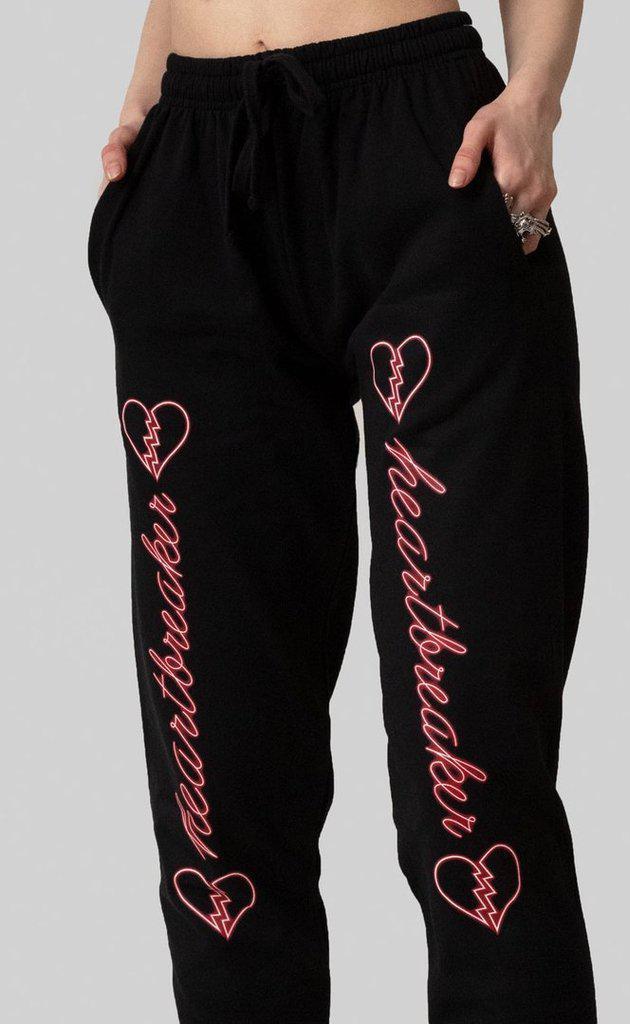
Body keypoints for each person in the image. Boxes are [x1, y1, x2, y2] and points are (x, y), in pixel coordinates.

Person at [89, 2, 596, 1022]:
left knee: (471, 773)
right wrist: (145, 99)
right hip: (192, 165)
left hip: (430, 154)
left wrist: (534, 93)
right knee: (216, 793)